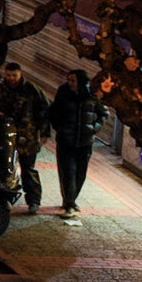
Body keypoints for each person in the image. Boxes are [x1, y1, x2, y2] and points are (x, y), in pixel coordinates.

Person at [0, 61, 52, 214]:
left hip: (28, 136)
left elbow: (44, 111)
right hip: (4, 136)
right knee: (4, 168)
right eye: (8, 75)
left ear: (20, 73)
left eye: (14, 75)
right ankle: (5, 198)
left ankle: (33, 201)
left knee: (28, 169)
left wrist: (45, 133)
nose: (11, 78)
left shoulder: (32, 90)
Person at [48, 68, 107, 220]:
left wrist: (94, 128)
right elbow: (53, 112)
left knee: (80, 173)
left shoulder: (92, 95)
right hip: (66, 141)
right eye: (68, 80)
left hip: (85, 142)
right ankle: (69, 204)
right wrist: (60, 129)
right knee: (68, 173)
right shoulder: (63, 92)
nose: (70, 83)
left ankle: (71, 200)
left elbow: (103, 113)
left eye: (73, 80)